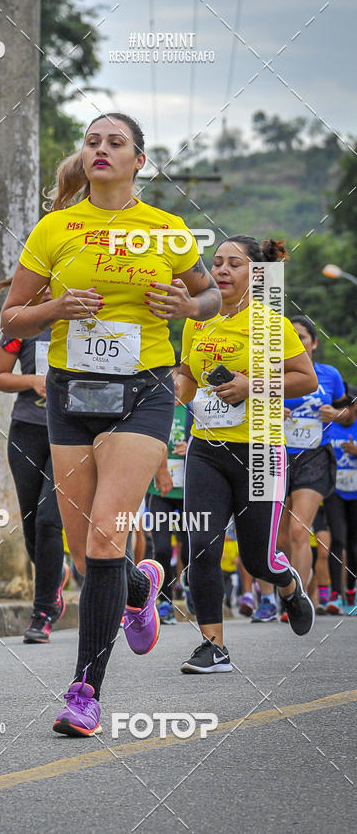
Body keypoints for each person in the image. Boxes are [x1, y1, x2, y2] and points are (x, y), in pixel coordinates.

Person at [0, 112, 221, 735]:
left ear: (138, 161)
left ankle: (84, 692)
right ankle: (136, 585)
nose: (101, 149)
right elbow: (12, 319)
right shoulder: (56, 228)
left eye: (115, 142)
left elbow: (209, 298)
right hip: (70, 395)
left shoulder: (168, 229)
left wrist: (188, 305)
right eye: (93, 141)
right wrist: (57, 308)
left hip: (144, 391)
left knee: (103, 537)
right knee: (82, 548)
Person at [177, 236, 319, 673]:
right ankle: (212, 646)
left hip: (259, 451)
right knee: (201, 545)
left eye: (233, 264)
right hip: (205, 449)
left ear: (255, 274)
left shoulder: (271, 325)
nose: (221, 270)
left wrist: (250, 385)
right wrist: (172, 392)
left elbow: (306, 381)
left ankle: (287, 584)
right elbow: (186, 375)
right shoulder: (195, 321)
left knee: (258, 559)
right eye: (216, 262)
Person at [0, 279, 68, 643]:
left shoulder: (86, 321)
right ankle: (55, 577)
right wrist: (33, 381)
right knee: (34, 525)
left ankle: (42, 614)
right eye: (46, 284)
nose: (52, 290)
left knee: (52, 522)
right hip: (27, 431)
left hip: (69, 434)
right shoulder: (22, 324)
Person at [254, 315, 347, 622]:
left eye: (302, 337)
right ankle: (279, 593)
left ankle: (299, 601)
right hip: (275, 454)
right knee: (277, 536)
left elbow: (346, 412)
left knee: (299, 529)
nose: (295, 340)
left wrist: (335, 413)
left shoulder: (329, 375)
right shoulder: (268, 374)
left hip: (314, 456)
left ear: (314, 343)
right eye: (289, 335)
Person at [145, 351, 191, 624]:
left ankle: (191, 589)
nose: (173, 382)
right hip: (159, 491)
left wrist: (192, 445)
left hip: (188, 491)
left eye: (177, 376)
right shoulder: (153, 407)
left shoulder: (192, 408)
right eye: (168, 375)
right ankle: (164, 602)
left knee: (188, 548)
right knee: (161, 548)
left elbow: (211, 439)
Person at [324, 384, 357, 615]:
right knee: (338, 539)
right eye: (339, 407)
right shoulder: (326, 427)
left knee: (354, 543)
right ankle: (335, 594)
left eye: (347, 406)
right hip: (334, 491)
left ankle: (351, 588)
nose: (342, 411)